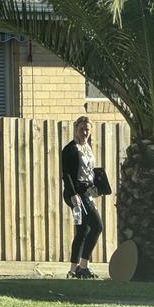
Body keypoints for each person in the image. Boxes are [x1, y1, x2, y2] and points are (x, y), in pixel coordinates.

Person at [61, 115, 103, 279]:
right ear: (75, 129)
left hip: (87, 191)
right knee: (97, 226)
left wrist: (96, 188)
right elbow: (67, 175)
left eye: (87, 129)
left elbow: (89, 172)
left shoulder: (87, 147)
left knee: (83, 230)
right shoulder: (70, 149)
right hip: (77, 192)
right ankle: (83, 266)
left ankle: (74, 269)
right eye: (82, 129)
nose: (85, 132)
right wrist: (73, 195)